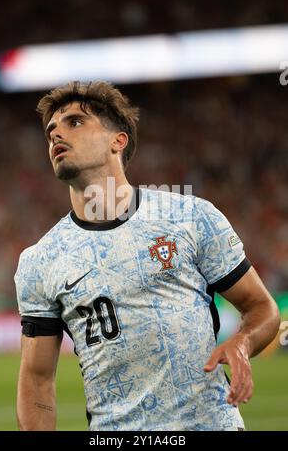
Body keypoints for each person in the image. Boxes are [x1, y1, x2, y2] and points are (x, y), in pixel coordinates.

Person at [15, 80, 280, 431]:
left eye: (74, 122)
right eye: (51, 130)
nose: (56, 135)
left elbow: (262, 308)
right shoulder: (40, 260)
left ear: (118, 140)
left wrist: (243, 342)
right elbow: (36, 382)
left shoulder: (191, 217)